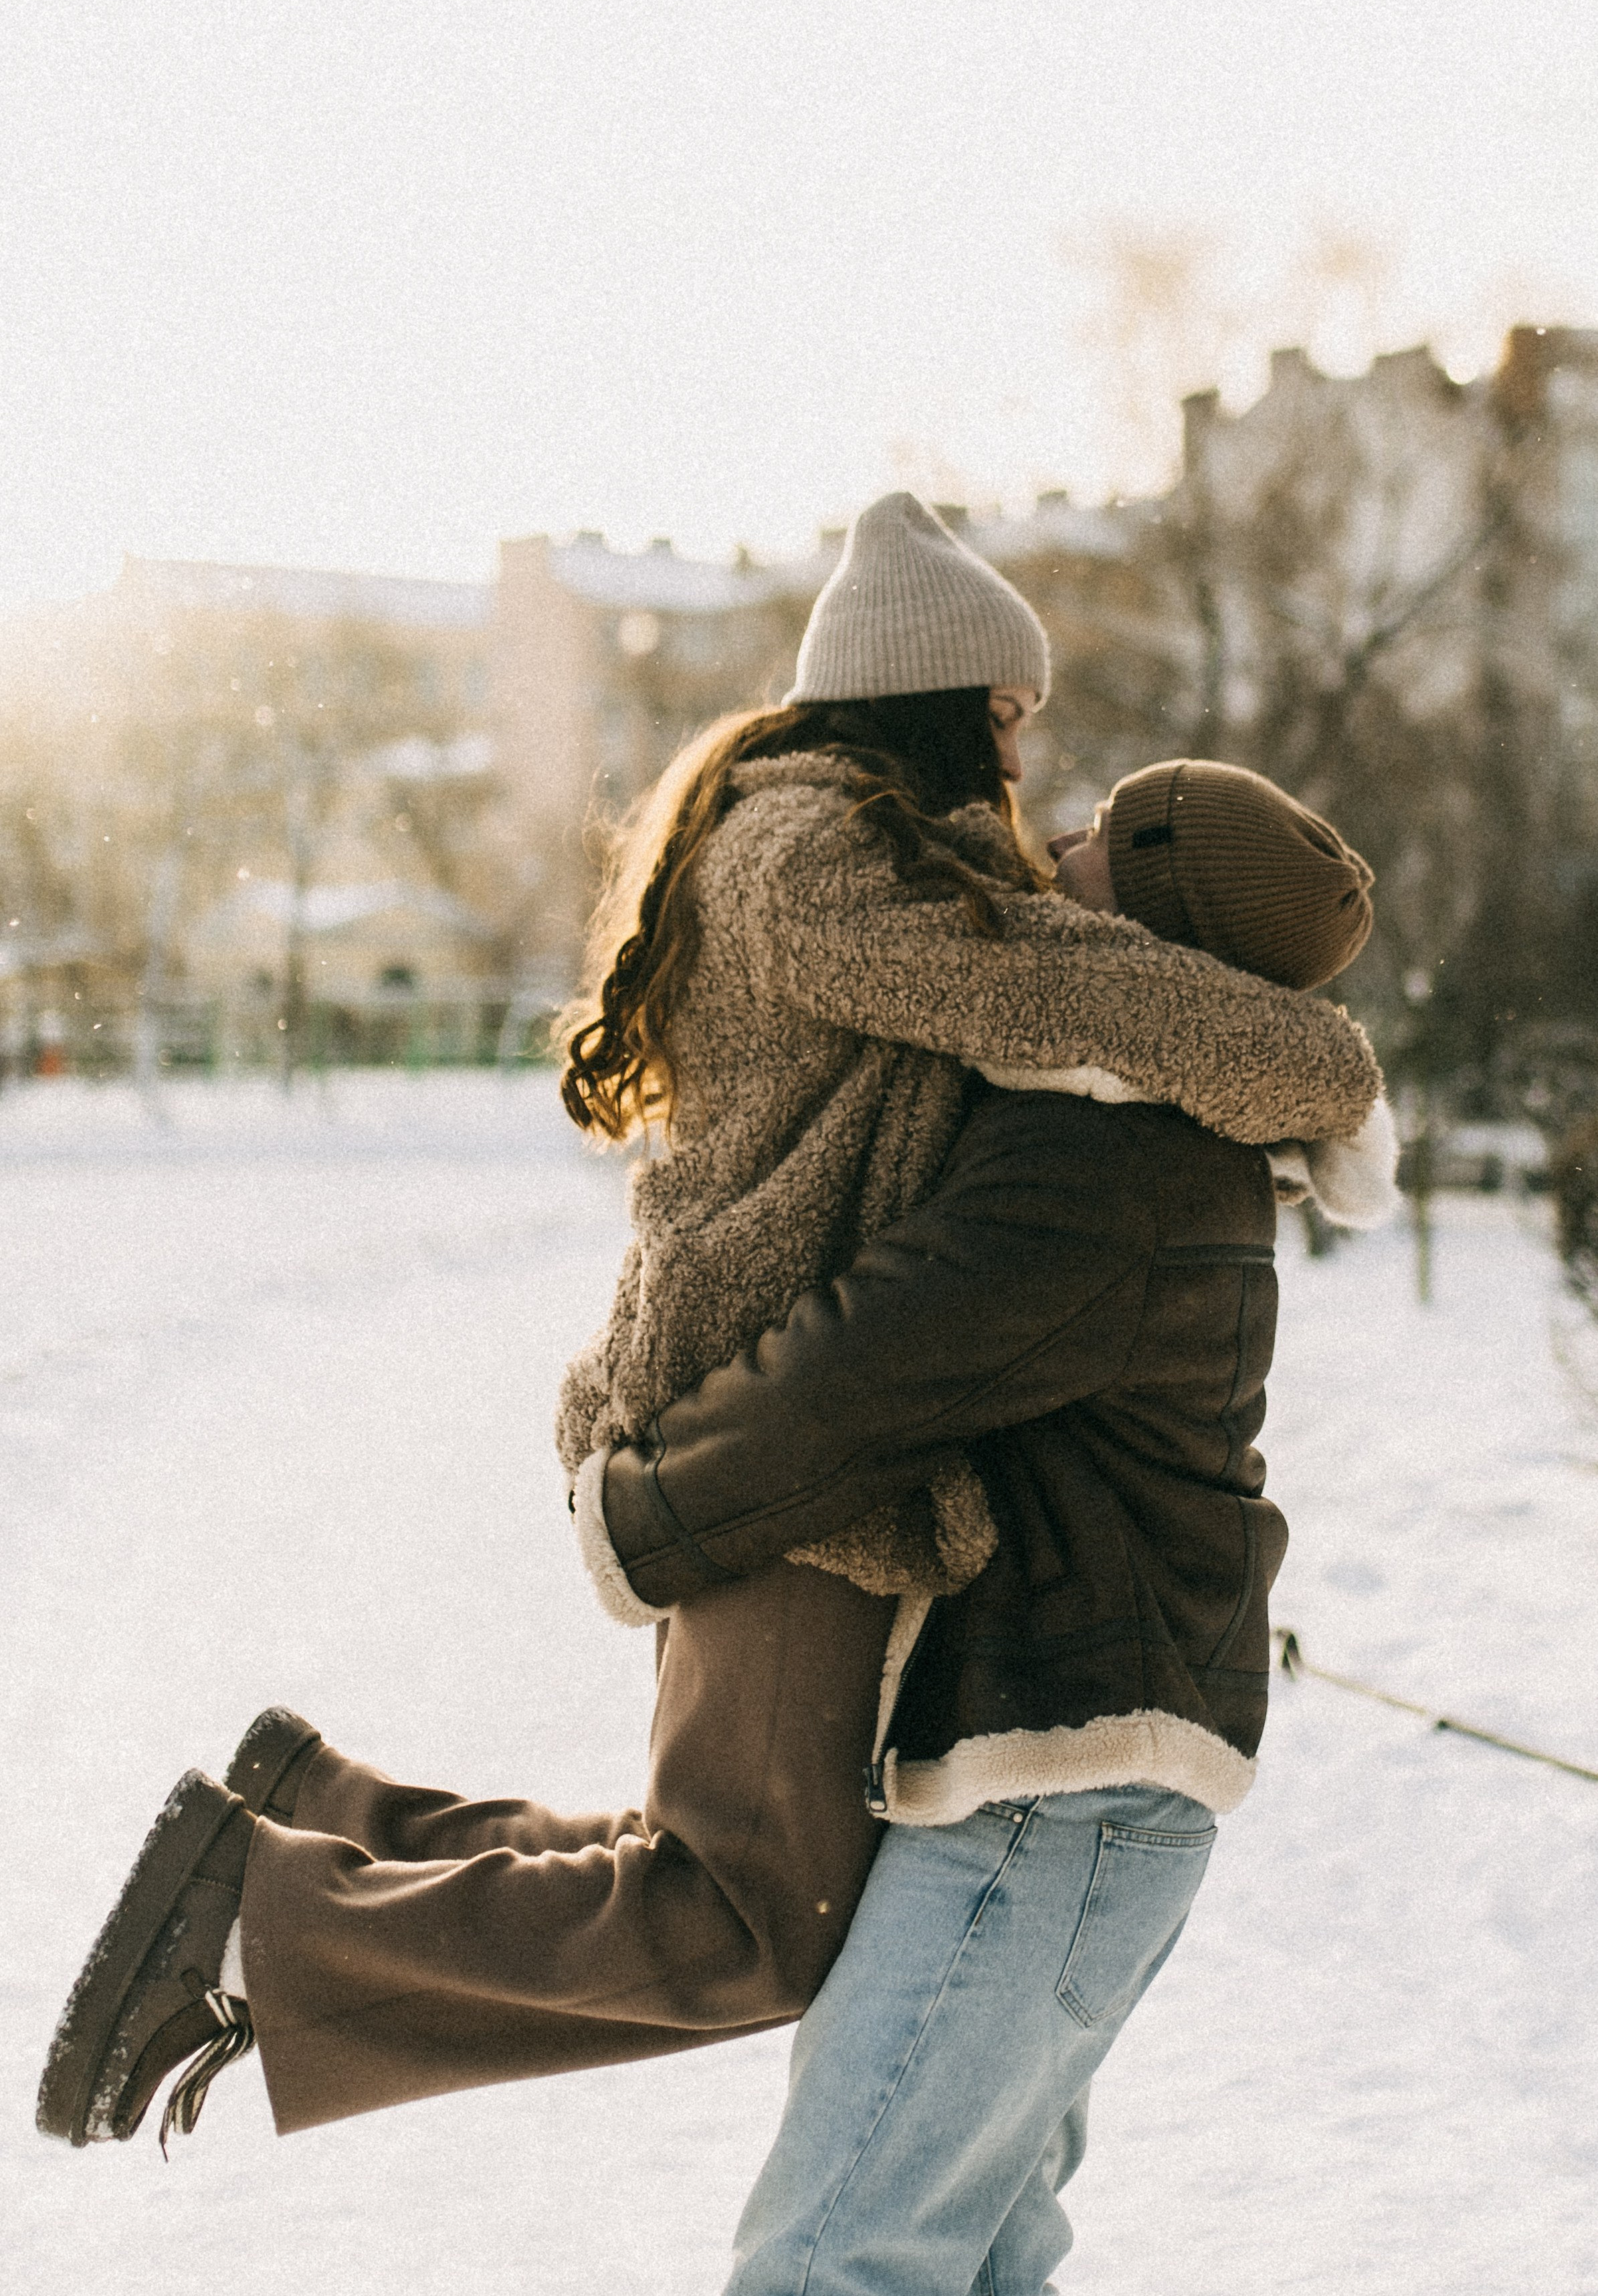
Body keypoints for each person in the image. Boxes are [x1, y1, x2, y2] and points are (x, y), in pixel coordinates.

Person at [36, 497, 1381, 2173]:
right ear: (933, 698)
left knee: (716, 1877)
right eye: (1011, 718)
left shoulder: (843, 849)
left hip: (779, 1437)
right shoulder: (812, 858)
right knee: (746, 1917)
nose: (1028, 777)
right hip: (774, 1440)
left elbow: (1051, 975)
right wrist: (1327, 1072)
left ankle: (319, 1821)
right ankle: (257, 1914)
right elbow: (1059, 987)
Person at [589, 755, 1395, 2293]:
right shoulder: (1153, 1131)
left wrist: (644, 1512)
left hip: (1064, 1790)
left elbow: (870, 1368)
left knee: (837, 2253)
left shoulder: (1106, 1151)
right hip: (1089, 1789)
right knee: (974, 2251)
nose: (1058, 841)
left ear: (1150, 912)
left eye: (1102, 834)